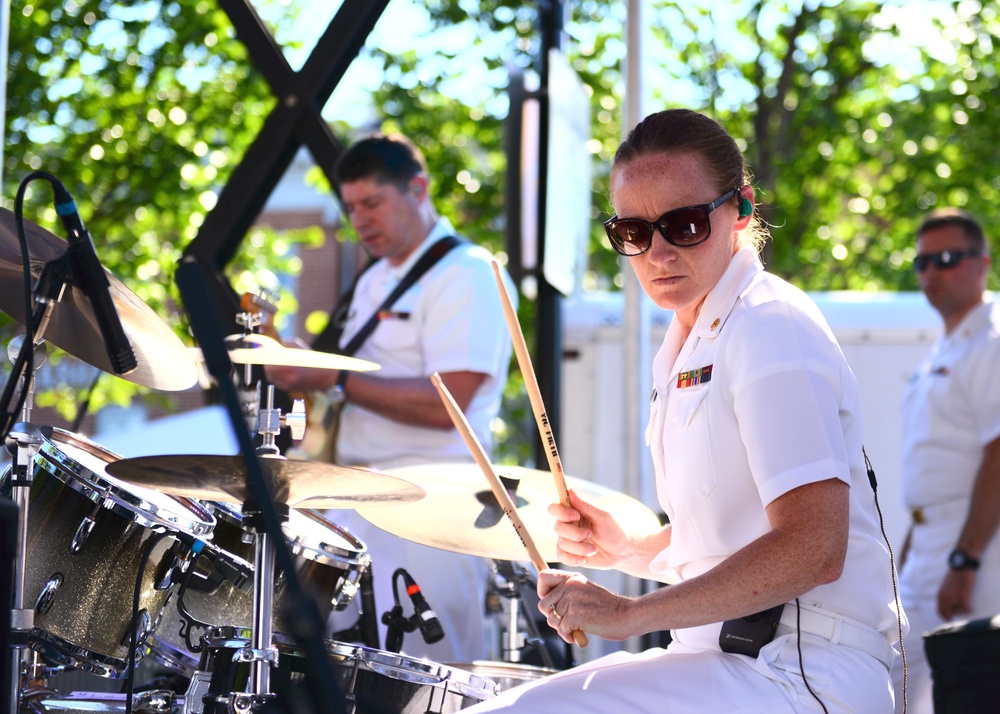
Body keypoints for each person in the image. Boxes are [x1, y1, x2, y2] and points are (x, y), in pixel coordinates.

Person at [463, 108, 905, 713]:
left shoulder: (768, 326)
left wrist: (629, 613)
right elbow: (731, 540)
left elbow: (813, 546)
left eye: (686, 223)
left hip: (800, 672)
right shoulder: (689, 343)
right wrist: (630, 550)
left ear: (741, 210)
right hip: (729, 662)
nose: (659, 251)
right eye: (634, 233)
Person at [265, 132, 515, 664]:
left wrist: (326, 379)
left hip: (431, 513)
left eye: (372, 203)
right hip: (357, 506)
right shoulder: (375, 277)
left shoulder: (467, 273)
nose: (359, 220)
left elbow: (451, 407)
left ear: (418, 189)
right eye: (350, 206)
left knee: (431, 683)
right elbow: (346, 389)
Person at [890, 209, 1000, 713]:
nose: (932, 271)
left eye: (948, 259)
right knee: (901, 685)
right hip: (930, 546)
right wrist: (912, 550)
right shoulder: (946, 347)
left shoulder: (992, 343)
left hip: (974, 549)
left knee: (969, 688)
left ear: (982, 264)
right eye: (923, 262)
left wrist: (966, 559)